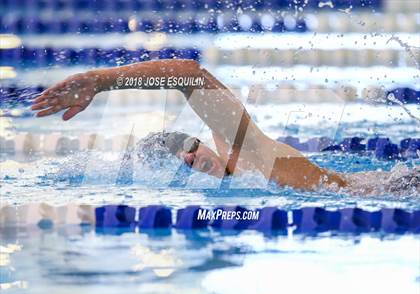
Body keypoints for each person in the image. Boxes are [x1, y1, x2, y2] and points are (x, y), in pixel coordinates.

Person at [31, 59, 350, 191]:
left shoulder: (243, 150)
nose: (190, 158)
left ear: (203, 140)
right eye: (180, 164)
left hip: (381, 192)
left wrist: (100, 81)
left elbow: (189, 74)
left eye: (189, 146)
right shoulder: (227, 193)